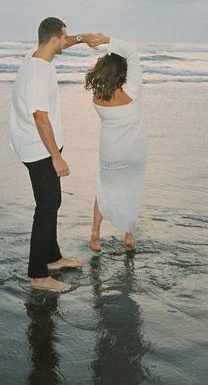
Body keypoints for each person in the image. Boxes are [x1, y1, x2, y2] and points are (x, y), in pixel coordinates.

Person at [10, 17, 101, 293]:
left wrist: (83, 38)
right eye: (64, 37)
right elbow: (40, 119)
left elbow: (63, 41)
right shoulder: (38, 74)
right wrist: (56, 157)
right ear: (53, 40)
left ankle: (52, 257)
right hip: (38, 149)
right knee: (46, 207)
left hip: (37, 145)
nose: (67, 40)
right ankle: (38, 276)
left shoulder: (37, 56)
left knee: (53, 202)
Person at [84, 35, 147, 253]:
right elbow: (132, 52)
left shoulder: (97, 97)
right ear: (123, 71)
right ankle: (128, 236)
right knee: (132, 190)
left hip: (110, 150)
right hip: (134, 151)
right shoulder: (131, 91)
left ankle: (95, 234)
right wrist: (109, 39)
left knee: (104, 189)